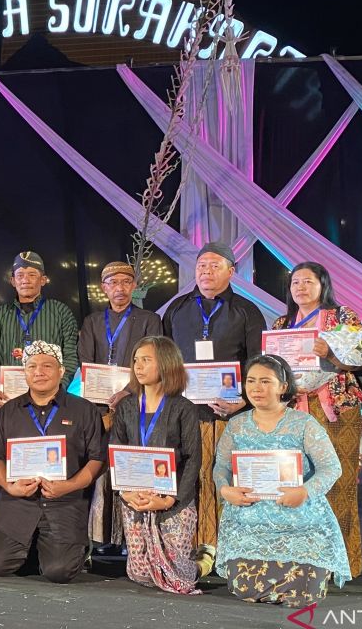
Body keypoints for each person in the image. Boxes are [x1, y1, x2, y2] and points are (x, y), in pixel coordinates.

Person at [214, 354, 351, 606]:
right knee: (245, 589)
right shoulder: (236, 425)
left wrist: (305, 492)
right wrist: (225, 489)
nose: (256, 388)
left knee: (303, 593)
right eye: (251, 381)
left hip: (299, 517)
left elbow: (331, 468)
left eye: (265, 381)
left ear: (283, 387)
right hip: (249, 518)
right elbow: (220, 467)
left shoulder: (304, 424)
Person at [271, 260, 362, 578]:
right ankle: (301, 558)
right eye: (295, 283)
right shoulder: (281, 324)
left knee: (337, 482)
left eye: (308, 281)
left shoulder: (342, 317)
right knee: (295, 481)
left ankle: (339, 562)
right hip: (292, 411)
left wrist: (330, 353)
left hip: (337, 411)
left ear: (323, 285)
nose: (301, 287)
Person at [162, 241, 265, 564]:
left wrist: (244, 401)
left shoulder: (246, 311)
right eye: (201, 266)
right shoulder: (177, 309)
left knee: (224, 478)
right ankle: (186, 545)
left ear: (231, 271)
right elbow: (167, 361)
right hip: (185, 414)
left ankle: (225, 547)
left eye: (215, 266)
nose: (206, 272)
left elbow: (257, 363)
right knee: (188, 476)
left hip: (229, 415)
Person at [0, 341, 103, 584]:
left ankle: (66, 550)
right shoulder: (8, 412)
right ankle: (36, 548)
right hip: (18, 502)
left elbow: (97, 459)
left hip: (64, 502)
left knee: (59, 572)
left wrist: (68, 486)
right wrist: (9, 486)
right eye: (32, 366)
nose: (39, 372)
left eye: (48, 366)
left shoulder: (84, 410)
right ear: (23, 372)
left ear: (61, 371)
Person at [79, 261, 162, 550]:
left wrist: (127, 391)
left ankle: (134, 536)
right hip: (100, 407)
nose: (120, 288)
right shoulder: (91, 322)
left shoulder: (149, 320)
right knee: (101, 468)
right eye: (113, 283)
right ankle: (101, 535)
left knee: (134, 466)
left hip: (138, 403)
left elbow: (154, 360)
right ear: (104, 288)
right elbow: (86, 363)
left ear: (134, 286)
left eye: (126, 282)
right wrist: (102, 398)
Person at [111, 336, 202, 594]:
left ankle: (200, 564)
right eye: (136, 360)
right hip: (135, 495)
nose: (138, 366)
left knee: (179, 577)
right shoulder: (126, 407)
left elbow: (194, 458)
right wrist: (126, 492)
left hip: (172, 498)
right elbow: (116, 453)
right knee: (141, 575)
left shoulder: (183, 408)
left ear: (165, 363)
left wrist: (169, 499)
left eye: (146, 360)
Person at [0, 252, 79, 409]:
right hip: (6, 399)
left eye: (32, 275)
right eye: (20, 275)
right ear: (13, 281)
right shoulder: (0, 315)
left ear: (43, 280)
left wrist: (57, 390)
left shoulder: (61, 312)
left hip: (50, 400)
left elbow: (71, 358)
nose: (25, 280)